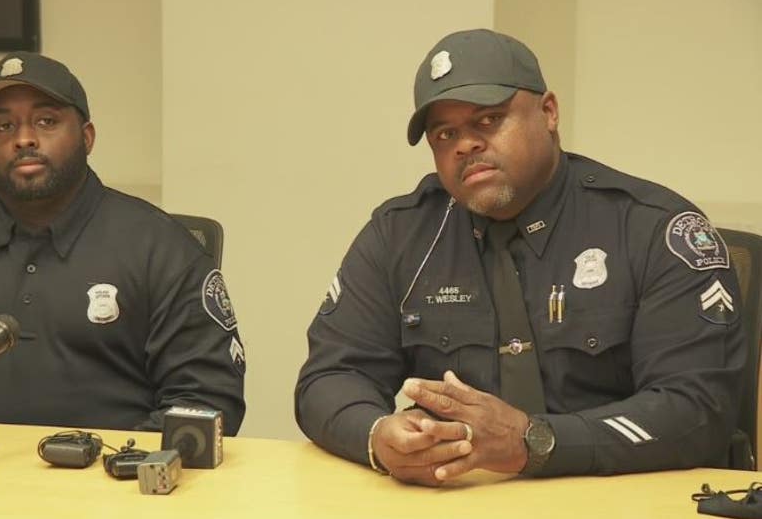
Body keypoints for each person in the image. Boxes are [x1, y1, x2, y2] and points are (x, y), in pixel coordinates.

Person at [294, 29, 747, 485]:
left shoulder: (651, 228)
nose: (465, 145)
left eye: (488, 121)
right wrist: (380, 437)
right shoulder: (401, 233)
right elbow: (330, 378)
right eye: (445, 133)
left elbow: (696, 410)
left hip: (625, 496)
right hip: (463, 500)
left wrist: (534, 442)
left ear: (549, 112)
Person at [0, 51, 246, 435]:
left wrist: (117, 468)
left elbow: (206, 401)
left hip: (112, 490)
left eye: (47, 121)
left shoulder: (160, 247)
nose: (23, 139)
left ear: (87, 137)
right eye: (3, 126)